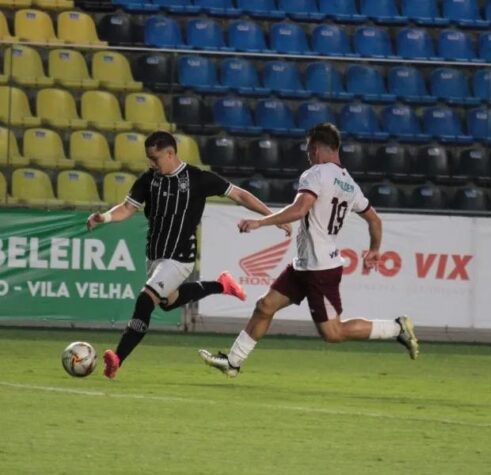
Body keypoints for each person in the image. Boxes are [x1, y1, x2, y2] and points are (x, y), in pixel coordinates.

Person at [199, 123, 418, 377]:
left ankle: (396, 328)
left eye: (308, 150)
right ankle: (233, 362)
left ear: (316, 149)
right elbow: (375, 220)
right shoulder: (350, 185)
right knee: (264, 306)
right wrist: (375, 250)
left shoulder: (316, 174)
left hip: (320, 269)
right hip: (304, 264)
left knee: (332, 333)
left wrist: (261, 222)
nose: (308, 156)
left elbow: (300, 209)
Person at [87, 131, 291, 379]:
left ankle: (117, 358)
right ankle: (221, 285)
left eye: (156, 158)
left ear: (170, 153)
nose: (152, 163)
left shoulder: (197, 178)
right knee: (167, 300)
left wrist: (271, 218)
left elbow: (239, 194)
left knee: (146, 299)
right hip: (155, 256)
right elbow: (128, 208)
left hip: (180, 257)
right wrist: (104, 217)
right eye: (149, 159)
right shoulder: (149, 180)